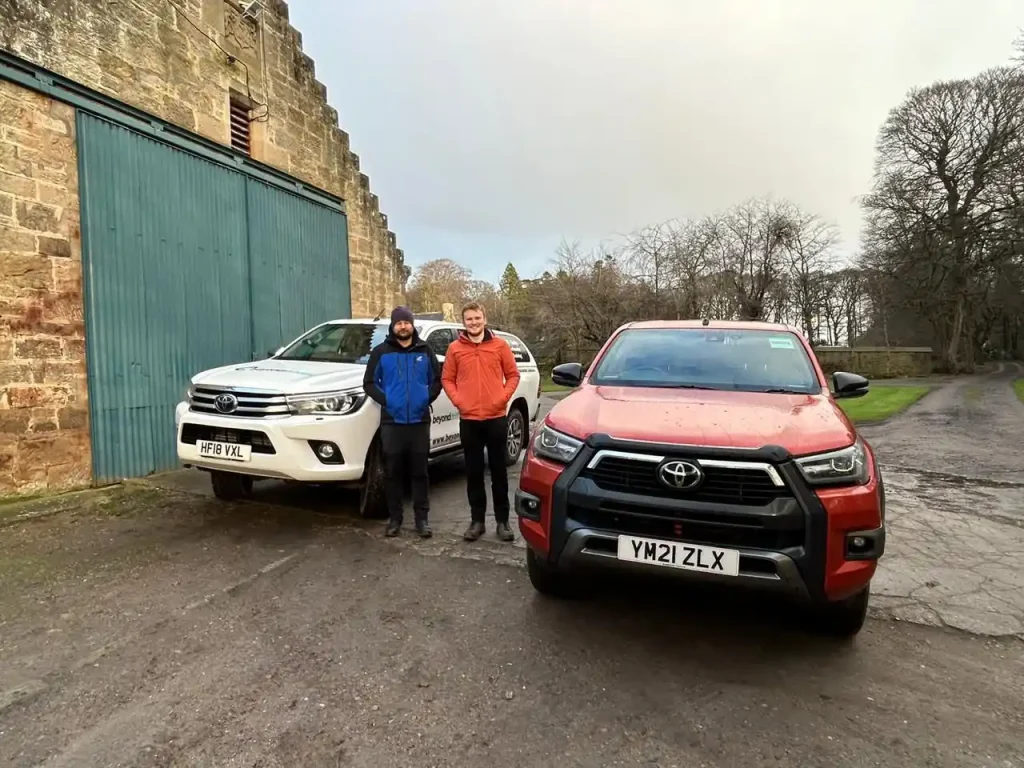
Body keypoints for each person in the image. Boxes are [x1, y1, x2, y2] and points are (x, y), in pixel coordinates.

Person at [441, 301, 521, 542]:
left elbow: (513, 375)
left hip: (496, 418)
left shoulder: (499, 345)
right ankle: (477, 521)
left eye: (477, 318)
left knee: (499, 472)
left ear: (484, 319)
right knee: (473, 473)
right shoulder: (455, 348)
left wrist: (502, 398)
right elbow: (447, 379)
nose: (474, 323)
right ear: (463, 322)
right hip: (469, 420)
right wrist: (459, 401)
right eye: (469, 319)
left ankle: (503, 522)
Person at [363, 307, 443, 538]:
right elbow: (369, 383)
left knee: (420, 473)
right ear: (393, 326)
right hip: (392, 422)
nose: (403, 326)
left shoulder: (425, 350)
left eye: (406, 322)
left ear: (412, 324)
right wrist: (388, 401)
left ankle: (422, 520)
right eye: (399, 323)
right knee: (392, 473)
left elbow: (437, 380)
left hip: (419, 421)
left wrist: (425, 398)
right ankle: (395, 519)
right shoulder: (381, 352)